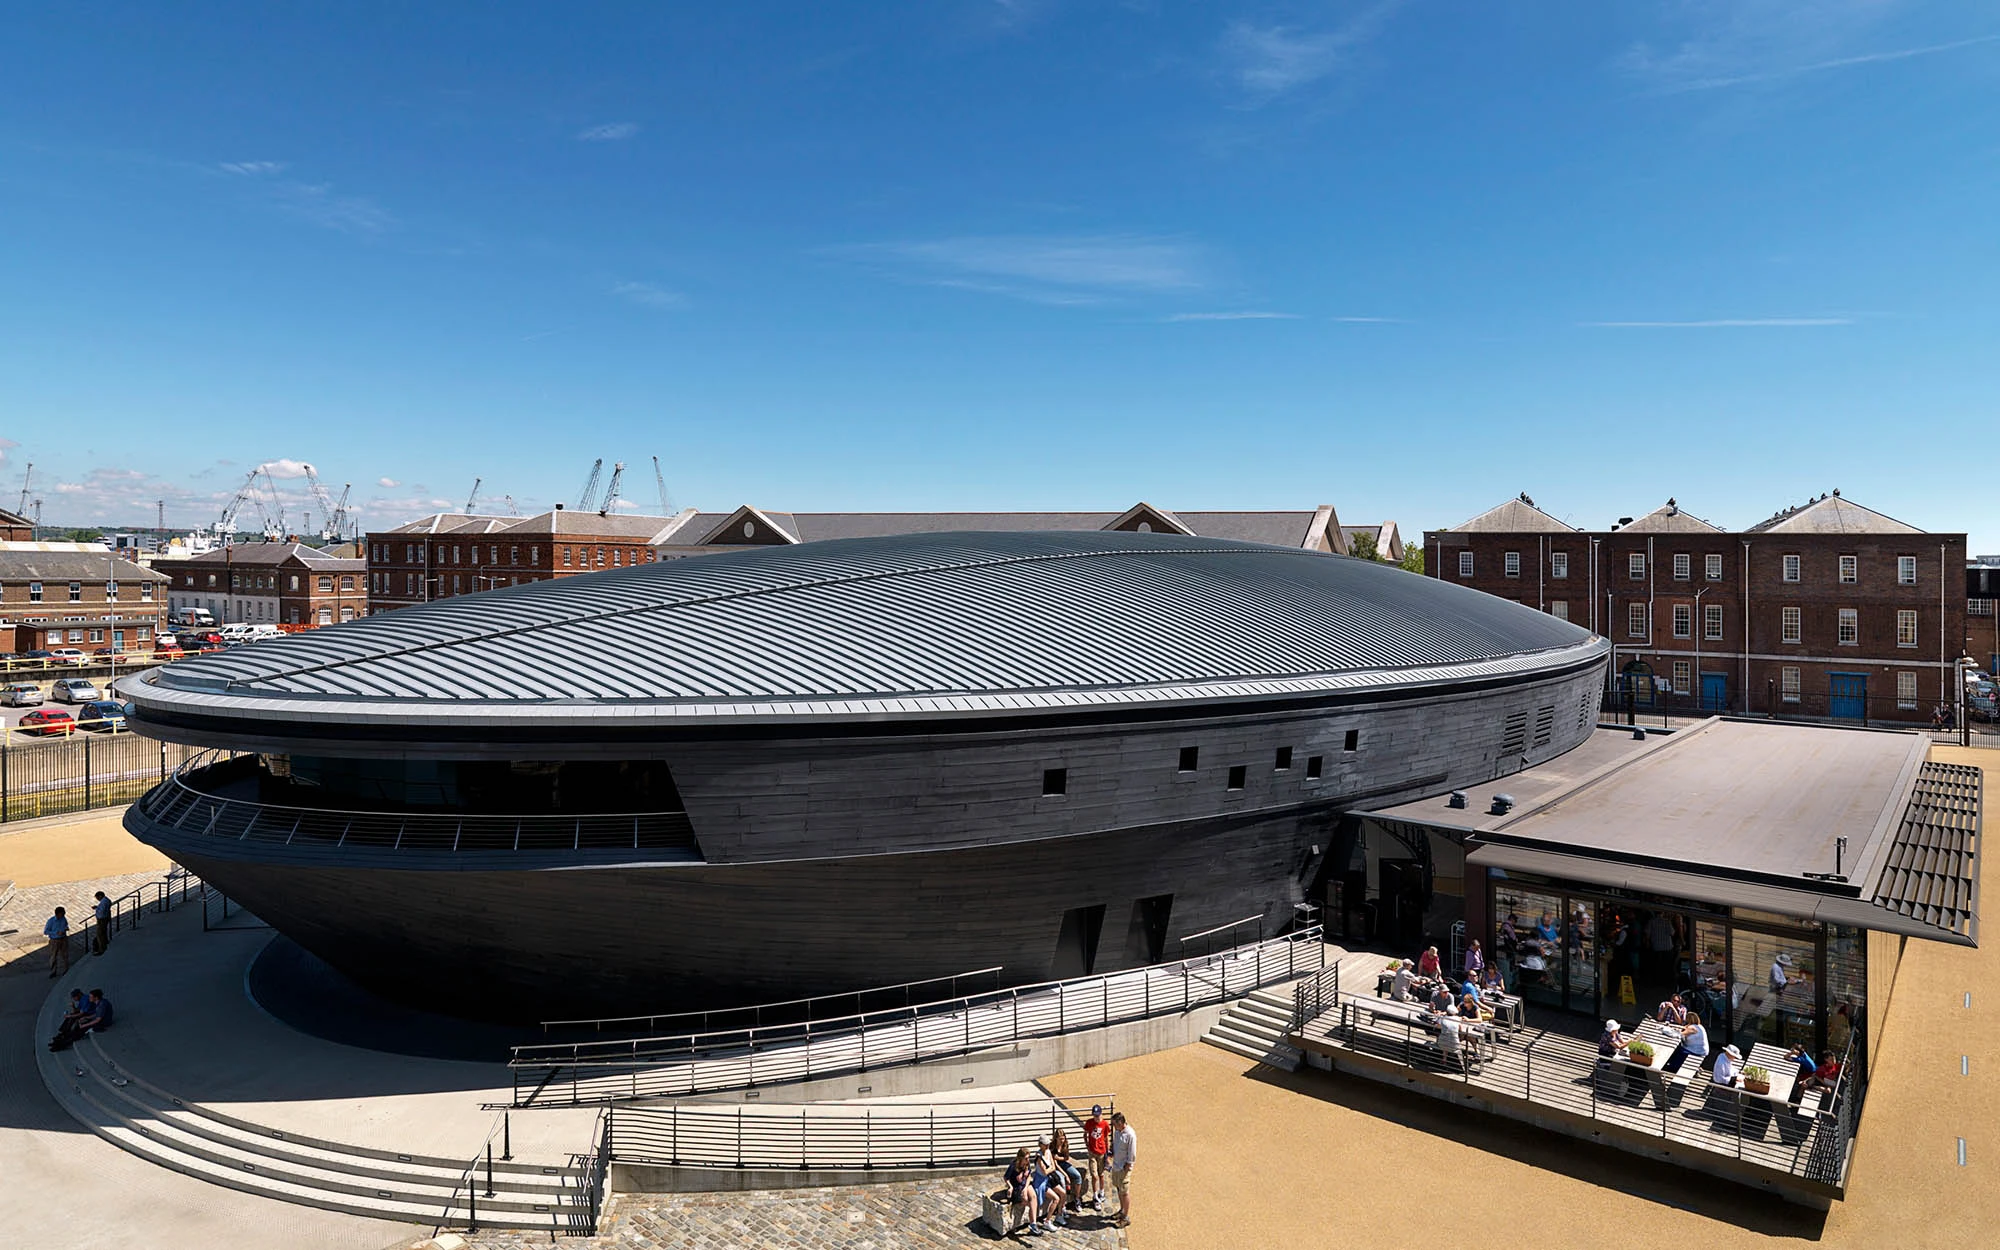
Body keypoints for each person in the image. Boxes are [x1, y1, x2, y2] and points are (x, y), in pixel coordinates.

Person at [1108, 1111, 1136, 1230]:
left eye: (1115, 1124)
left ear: (1120, 1123)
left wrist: (1128, 1165)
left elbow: (1132, 1152)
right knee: (1119, 1188)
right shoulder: (1118, 1132)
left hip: (1124, 1167)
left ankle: (1125, 1217)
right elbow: (1115, 1144)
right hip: (1116, 1165)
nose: (1114, 1127)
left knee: (1124, 1192)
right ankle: (1122, 1210)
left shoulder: (1130, 1134)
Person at [1002, 1148, 1038, 1235]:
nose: (1028, 1160)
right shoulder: (1013, 1166)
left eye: (1028, 1158)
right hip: (1017, 1187)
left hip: (1024, 1185)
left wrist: (1025, 1188)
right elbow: (1006, 1178)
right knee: (1025, 1199)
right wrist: (1010, 1187)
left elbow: (1029, 1176)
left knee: (1033, 1196)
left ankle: (1033, 1223)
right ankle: (1031, 1214)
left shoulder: (1027, 1164)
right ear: (1020, 1158)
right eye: (1026, 1158)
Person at [1082, 1104, 1111, 1208]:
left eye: (1097, 1116)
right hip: (1092, 1153)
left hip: (1102, 1152)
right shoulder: (1089, 1123)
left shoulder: (1105, 1124)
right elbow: (1085, 1134)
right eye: (1094, 1116)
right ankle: (1095, 1196)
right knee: (1094, 1175)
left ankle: (1101, 1192)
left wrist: (1107, 1154)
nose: (1096, 1118)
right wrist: (1087, 1146)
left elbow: (1106, 1139)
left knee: (1101, 1174)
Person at [1049, 1129, 1084, 1215]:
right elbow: (1055, 1163)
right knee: (1062, 1179)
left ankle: (1077, 1198)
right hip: (1056, 1166)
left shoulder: (1065, 1145)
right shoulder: (1052, 1147)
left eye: (1063, 1138)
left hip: (1063, 1163)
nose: (1062, 1141)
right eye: (1060, 1139)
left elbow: (1066, 1158)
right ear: (1056, 1138)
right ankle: (1063, 1205)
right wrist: (1066, 1175)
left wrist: (1058, 1158)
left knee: (1077, 1176)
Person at [44, 906, 71, 978]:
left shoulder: (63, 919)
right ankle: (53, 971)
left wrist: (65, 929)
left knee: (65, 954)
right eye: (62, 914)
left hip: (63, 939)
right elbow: (46, 931)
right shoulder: (51, 921)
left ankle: (66, 969)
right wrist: (56, 933)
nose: (63, 915)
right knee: (53, 956)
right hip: (54, 940)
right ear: (58, 914)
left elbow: (65, 925)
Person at [91, 890, 113, 955]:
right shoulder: (106, 900)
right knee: (103, 932)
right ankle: (105, 943)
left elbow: (102, 912)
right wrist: (97, 907)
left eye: (97, 898)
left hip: (102, 920)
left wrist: (97, 911)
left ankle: (101, 949)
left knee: (100, 934)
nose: (97, 899)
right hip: (104, 919)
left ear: (100, 896)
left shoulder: (104, 902)